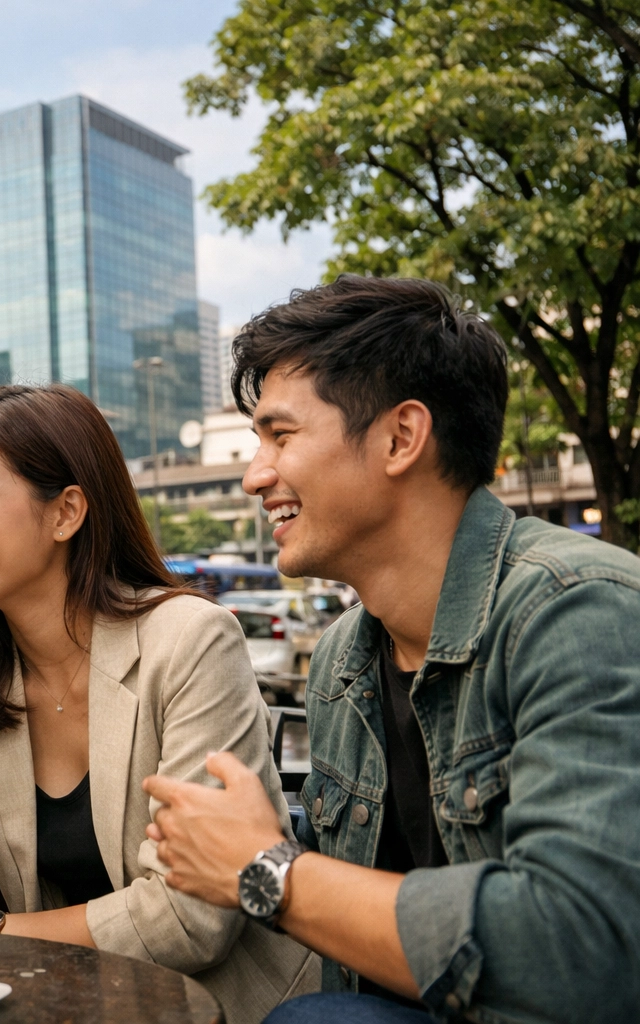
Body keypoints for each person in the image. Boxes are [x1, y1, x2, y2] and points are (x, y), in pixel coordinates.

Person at [142, 277, 640, 1024]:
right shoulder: (344, 659)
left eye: (281, 436)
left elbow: (582, 949)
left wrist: (266, 870)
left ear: (402, 437)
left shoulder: (577, 610)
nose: (255, 475)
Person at [0, 385, 318, 1024]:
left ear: (65, 512)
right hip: (69, 1006)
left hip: (228, 1010)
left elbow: (193, 917)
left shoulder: (189, 640)